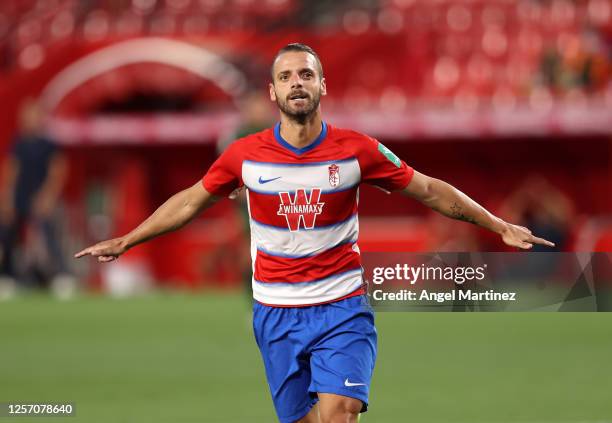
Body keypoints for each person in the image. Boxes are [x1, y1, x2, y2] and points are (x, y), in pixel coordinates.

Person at [75, 43, 555, 423]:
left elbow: (428, 189)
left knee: (340, 413)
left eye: (305, 74)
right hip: (276, 314)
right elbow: (190, 200)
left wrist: (497, 224)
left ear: (323, 84)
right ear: (273, 93)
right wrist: (128, 239)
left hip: (341, 307)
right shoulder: (244, 155)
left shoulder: (357, 150)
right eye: (286, 77)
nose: (296, 83)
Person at [0, 98, 71, 296]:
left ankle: (62, 276)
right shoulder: (19, 143)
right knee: (7, 235)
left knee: (50, 235)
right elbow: (11, 171)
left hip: (41, 197)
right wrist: (6, 199)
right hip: (20, 196)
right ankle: (7, 276)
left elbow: (58, 170)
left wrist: (48, 196)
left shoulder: (49, 144)